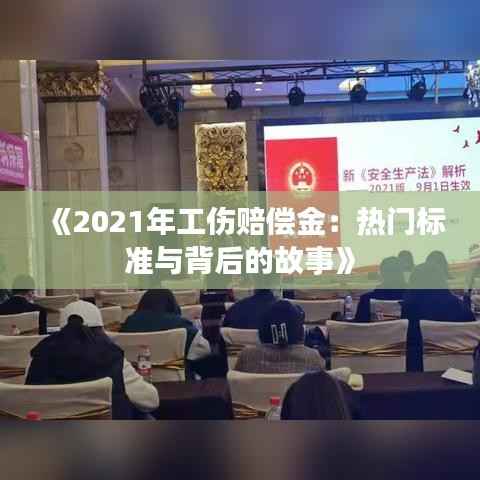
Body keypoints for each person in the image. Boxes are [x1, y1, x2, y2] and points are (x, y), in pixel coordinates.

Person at [25, 300, 159, 419]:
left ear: (61, 329)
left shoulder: (38, 355)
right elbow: (150, 401)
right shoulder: (112, 356)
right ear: (101, 329)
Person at [401, 262, 475, 371]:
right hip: (464, 372)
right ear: (442, 281)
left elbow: (407, 342)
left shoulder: (409, 307)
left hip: (419, 372)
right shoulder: (461, 307)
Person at [234, 300, 324, 374]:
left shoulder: (246, 357)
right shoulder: (313, 359)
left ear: (261, 331)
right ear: (301, 333)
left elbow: (234, 388)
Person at [120, 289, 211, 361]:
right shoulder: (180, 324)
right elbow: (205, 349)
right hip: (177, 378)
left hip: (135, 377)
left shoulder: (129, 323)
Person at [354, 257, 407, 322]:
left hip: (373, 328)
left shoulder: (366, 298)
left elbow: (359, 325)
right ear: (402, 274)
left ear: (382, 274)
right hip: (401, 329)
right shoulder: (412, 298)